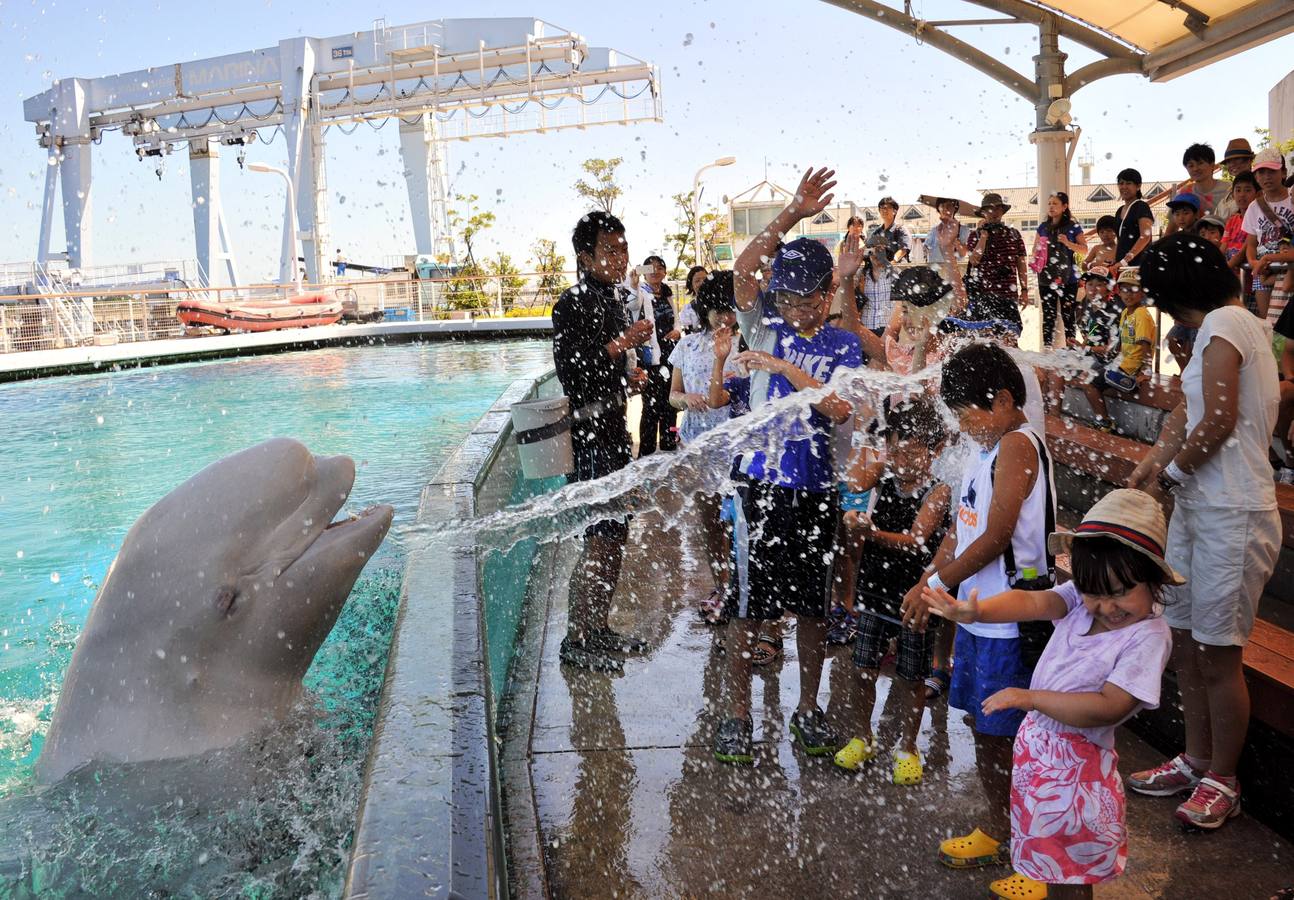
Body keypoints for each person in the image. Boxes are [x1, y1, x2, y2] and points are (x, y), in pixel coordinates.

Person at [923, 489, 1176, 900]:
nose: (1106, 606)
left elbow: (1110, 707)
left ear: (1154, 581)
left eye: (1120, 592)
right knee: (1052, 869)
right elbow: (1032, 600)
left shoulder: (1146, 636)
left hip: (1079, 780)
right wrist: (977, 612)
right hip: (1042, 768)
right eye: (1095, 592)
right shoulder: (1079, 601)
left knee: (1073, 876)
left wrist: (1031, 698)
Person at [1127, 234, 1281, 830]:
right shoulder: (1217, 329)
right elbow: (1185, 416)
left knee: (1219, 652)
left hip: (1233, 513)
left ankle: (1225, 777)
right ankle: (1194, 759)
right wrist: (1150, 464)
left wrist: (1166, 477)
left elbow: (1217, 421)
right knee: (1187, 640)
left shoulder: (1226, 323)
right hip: (1200, 508)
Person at [714, 167, 864, 765]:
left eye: (809, 299)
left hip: (816, 488)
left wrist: (783, 371)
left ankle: (807, 709)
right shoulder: (763, 324)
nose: (797, 309)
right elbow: (741, 271)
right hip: (760, 485)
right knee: (749, 604)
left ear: (827, 295)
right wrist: (793, 215)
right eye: (789, 298)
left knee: (811, 606)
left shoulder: (844, 346)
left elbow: (838, 406)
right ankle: (736, 715)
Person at [900, 341, 1056, 880]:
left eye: (969, 413)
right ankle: (999, 829)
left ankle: (1034, 859)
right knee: (985, 726)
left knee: (1014, 736)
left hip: (1014, 619)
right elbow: (962, 527)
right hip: (978, 616)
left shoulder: (1016, 443)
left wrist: (938, 585)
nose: (964, 426)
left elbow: (997, 535)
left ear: (1005, 400)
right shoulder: (982, 450)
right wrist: (927, 580)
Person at [551, 211, 653, 674]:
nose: (620, 258)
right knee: (597, 538)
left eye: (623, 248)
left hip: (613, 430)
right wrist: (622, 344)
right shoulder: (569, 304)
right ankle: (577, 638)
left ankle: (598, 627)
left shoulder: (613, 298)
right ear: (585, 256)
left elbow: (602, 370)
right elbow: (572, 373)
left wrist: (628, 376)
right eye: (609, 250)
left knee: (615, 534)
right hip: (589, 438)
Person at [834, 396, 951, 785]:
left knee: (911, 676)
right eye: (895, 446)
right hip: (874, 590)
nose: (902, 457)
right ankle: (862, 736)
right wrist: (872, 439)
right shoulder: (883, 478)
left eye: (912, 449)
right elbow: (853, 482)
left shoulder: (938, 490)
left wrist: (870, 533)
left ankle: (908, 746)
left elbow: (917, 540)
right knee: (863, 667)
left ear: (934, 450)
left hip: (913, 596)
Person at [668, 271, 739, 618]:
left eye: (731, 310)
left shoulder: (747, 345)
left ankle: (742, 587)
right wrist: (686, 400)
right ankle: (722, 586)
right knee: (710, 519)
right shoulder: (687, 345)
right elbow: (672, 395)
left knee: (739, 519)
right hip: (699, 441)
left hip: (737, 444)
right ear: (705, 310)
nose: (725, 318)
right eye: (718, 311)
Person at [1081, 268, 1156, 432]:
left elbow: (1145, 346)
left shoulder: (1142, 314)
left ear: (1142, 293)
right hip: (1121, 363)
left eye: (1133, 290)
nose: (1128, 294)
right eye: (1124, 290)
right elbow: (1121, 344)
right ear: (1118, 292)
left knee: (1088, 382)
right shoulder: (1125, 313)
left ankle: (1105, 422)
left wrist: (1146, 372)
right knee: (1090, 372)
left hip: (1130, 369)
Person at [1243, 148, 1294, 322]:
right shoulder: (1254, 207)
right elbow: (1250, 244)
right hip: (1263, 271)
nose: (1266, 177)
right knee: (1268, 322)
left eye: (1272, 171)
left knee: (1287, 321)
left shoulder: (1293, 199)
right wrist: (1253, 262)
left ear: (1284, 172)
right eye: (1260, 172)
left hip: (1289, 268)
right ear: (1256, 177)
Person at [635, 255, 679, 455]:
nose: (655, 271)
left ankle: (670, 444)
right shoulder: (641, 292)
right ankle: (647, 450)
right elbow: (633, 305)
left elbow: (676, 318)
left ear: (665, 272)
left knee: (670, 403)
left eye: (659, 268)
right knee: (651, 405)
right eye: (650, 268)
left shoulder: (668, 292)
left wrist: (678, 330)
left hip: (670, 354)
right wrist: (633, 282)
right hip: (651, 357)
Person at [965, 193, 1030, 327]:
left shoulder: (1014, 234)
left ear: (1002, 211)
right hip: (984, 295)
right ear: (983, 212)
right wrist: (983, 237)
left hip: (1008, 294)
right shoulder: (975, 235)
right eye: (989, 209)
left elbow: (1021, 264)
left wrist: (1024, 290)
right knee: (985, 337)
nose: (993, 213)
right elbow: (974, 261)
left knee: (1011, 334)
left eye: (997, 209)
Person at [1034, 191, 1087, 347]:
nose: (1051, 206)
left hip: (1068, 278)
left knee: (1068, 315)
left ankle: (1071, 351)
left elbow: (1084, 249)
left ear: (1065, 207)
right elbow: (1035, 252)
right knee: (1048, 316)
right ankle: (1047, 350)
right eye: (1049, 203)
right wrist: (1040, 247)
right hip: (1045, 277)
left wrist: (1067, 243)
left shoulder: (1073, 226)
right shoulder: (1043, 227)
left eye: (1055, 203)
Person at [1165, 193, 1203, 369]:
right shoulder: (1176, 238)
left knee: (1195, 342)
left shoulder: (1201, 236)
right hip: (1181, 301)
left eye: (1185, 213)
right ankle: (1185, 372)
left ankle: (1192, 375)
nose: (1180, 217)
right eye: (1177, 213)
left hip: (1199, 303)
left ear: (1196, 214)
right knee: (1172, 341)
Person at [1165, 144, 1224, 235]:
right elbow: (1171, 230)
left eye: (1200, 163)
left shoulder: (1229, 189)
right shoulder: (1184, 192)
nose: (1195, 169)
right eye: (1191, 165)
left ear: (1212, 165)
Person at [1222, 171, 1259, 312]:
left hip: (1248, 281)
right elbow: (1223, 246)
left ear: (1257, 193)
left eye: (1248, 190)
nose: (1242, 194)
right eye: (1238, 190)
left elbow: (1244, 250)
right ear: (1233, 194)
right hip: (1231, 280)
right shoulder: (1232, 220)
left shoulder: (1257, 218)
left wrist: (1224, 268)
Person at [1113, 169, 1155, 273]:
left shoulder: (1141, 207)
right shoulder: (1119, 210)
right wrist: (1115, 260)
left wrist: (1125, 261)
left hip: (1138, 265)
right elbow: (1120, 239)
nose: (1124, 187)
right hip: (1122, 266)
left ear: (1138, 186)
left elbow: (1145, 236)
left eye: (1129, 183)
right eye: (1121, 183)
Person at [1214, 138, 1256, 223]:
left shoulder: (1259, 187)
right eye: (1228, 161)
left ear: (1249, 160)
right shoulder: (1228, 192)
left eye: (1237, 159)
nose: (1232, 164)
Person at [868, 196, 911, 263]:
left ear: (895, 211)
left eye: (888, 208)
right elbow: (871, 250)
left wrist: (893, 261)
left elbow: (903, 250)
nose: (884, 210)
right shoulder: (876, 233)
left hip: (899, 269)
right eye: (882, 208)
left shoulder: (900, 230)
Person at [676, 264, 708, 334]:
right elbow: (689, 335)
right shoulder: (688, 309)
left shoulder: (719, 304)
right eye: (697, 281)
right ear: (691, 285)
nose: (702, 283)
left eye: (705, 279)